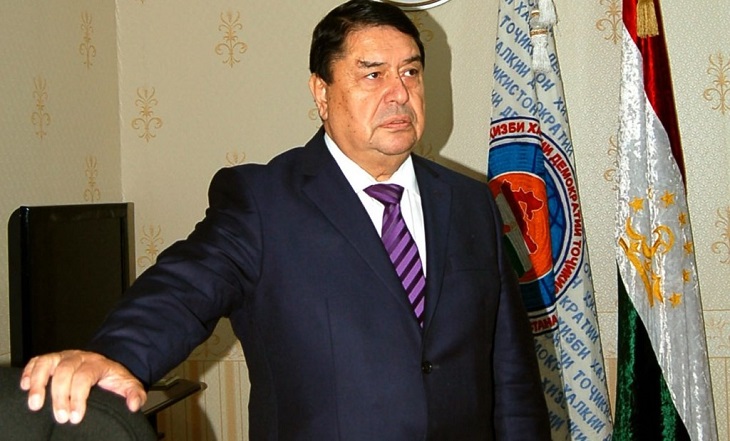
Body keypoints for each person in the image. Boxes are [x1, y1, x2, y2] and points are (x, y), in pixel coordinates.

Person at [21, 0, 550, 439]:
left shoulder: (471, 203)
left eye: (410, 71)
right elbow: (185, 288)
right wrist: (110, 355)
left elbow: (511, 375)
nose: (399, 92)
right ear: (321, 92)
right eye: (372, 74)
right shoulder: (263, 201)